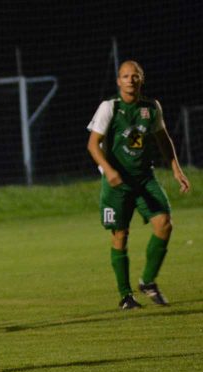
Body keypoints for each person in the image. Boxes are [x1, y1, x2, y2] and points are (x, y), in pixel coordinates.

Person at [87, 60, 190, 310]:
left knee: (164, 223)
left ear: (141, 79)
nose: (130, 80)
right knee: (120, 235)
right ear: (118, 81)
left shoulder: (151, 108)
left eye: (135, 76)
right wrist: (109, 171)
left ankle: (148, 282)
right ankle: (125, 296)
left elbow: (163, 139)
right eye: (125, 76)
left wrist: (176, 168)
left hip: (145, 178)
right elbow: (93, 144)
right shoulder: (110, 107)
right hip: (118, 183)